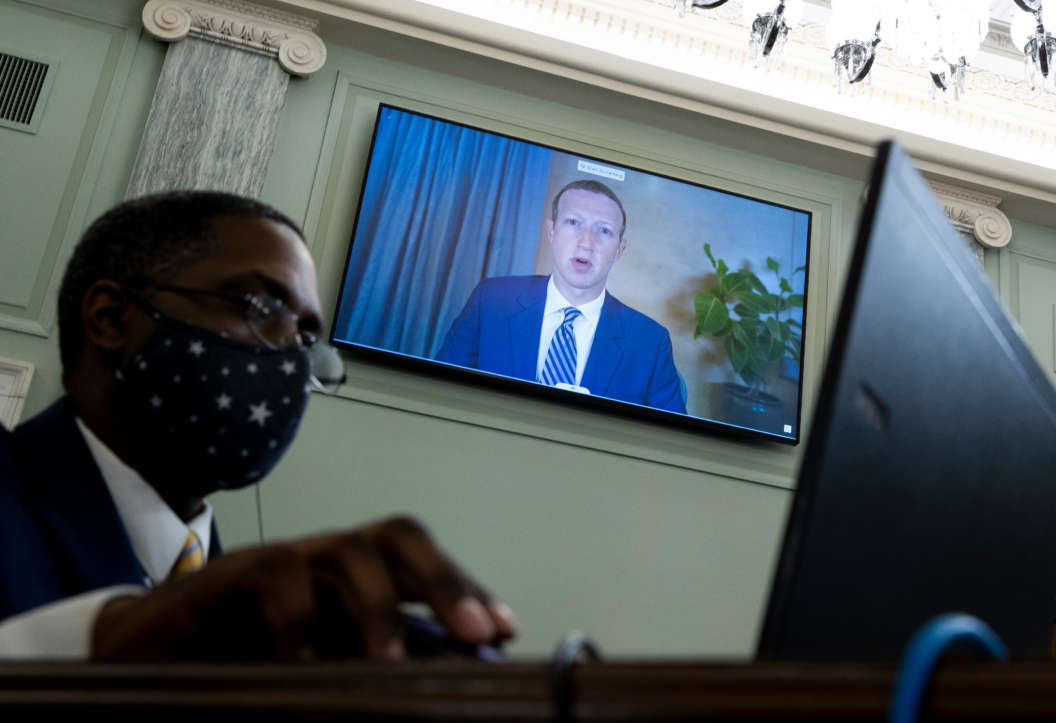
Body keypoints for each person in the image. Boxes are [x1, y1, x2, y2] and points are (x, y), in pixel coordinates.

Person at [0, 191, 515, 659]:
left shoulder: (258, 618)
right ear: (112, 318)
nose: (292, 360)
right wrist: (116, 637)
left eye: (308, 339)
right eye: (262, 307)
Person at [436, 180, 686, 415]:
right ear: (551, 231)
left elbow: (673, 441)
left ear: (619, 250)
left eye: (604, 231)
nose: (586, 243)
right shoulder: (491, 301)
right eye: (573, 222)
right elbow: (440, 392)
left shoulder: (650, 342)